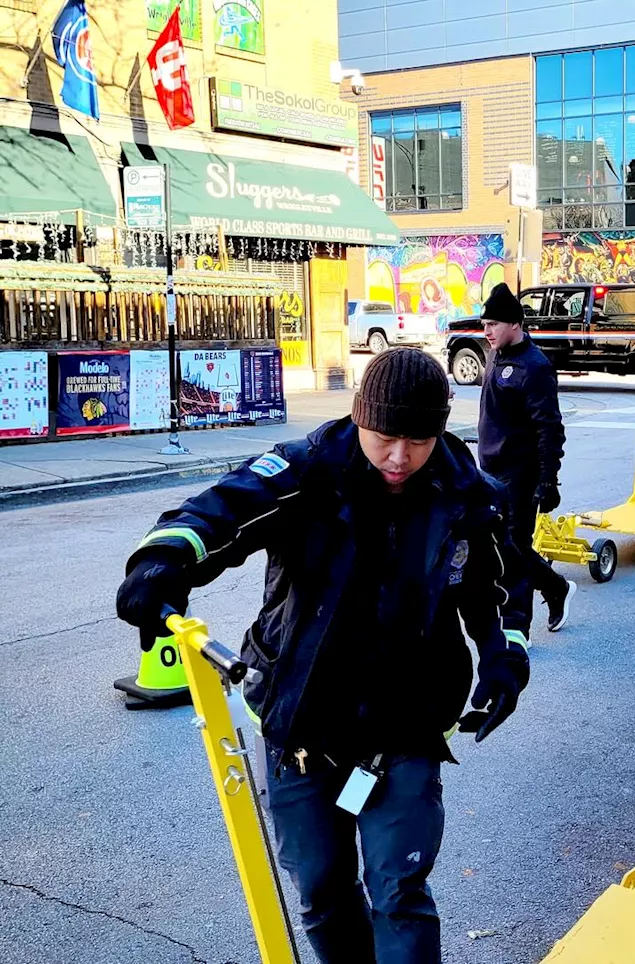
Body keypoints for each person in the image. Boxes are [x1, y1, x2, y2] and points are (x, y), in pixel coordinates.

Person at [115, 349, 529, 964]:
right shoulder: (306, 470)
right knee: (323, 892)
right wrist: (163, 562)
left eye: (419, 440)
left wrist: (505, 655)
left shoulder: (464, 492)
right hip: (301, 722)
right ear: (360, 417)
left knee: (399, 890)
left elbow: (498, 584)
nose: (399, 457)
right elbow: (219, 511)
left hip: (406, 726)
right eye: (386, 437)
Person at [477, 282, 576, 635]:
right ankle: (555, 586)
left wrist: (549, 480)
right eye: (485, 324)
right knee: (497, 546)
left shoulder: (535, 367)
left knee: (514, 550)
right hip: (489, 469)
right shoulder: (495, 355)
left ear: (515, 324)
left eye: (494, 324)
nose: (486, 331)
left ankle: (516, 628)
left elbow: (550, 428)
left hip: (520, 474)